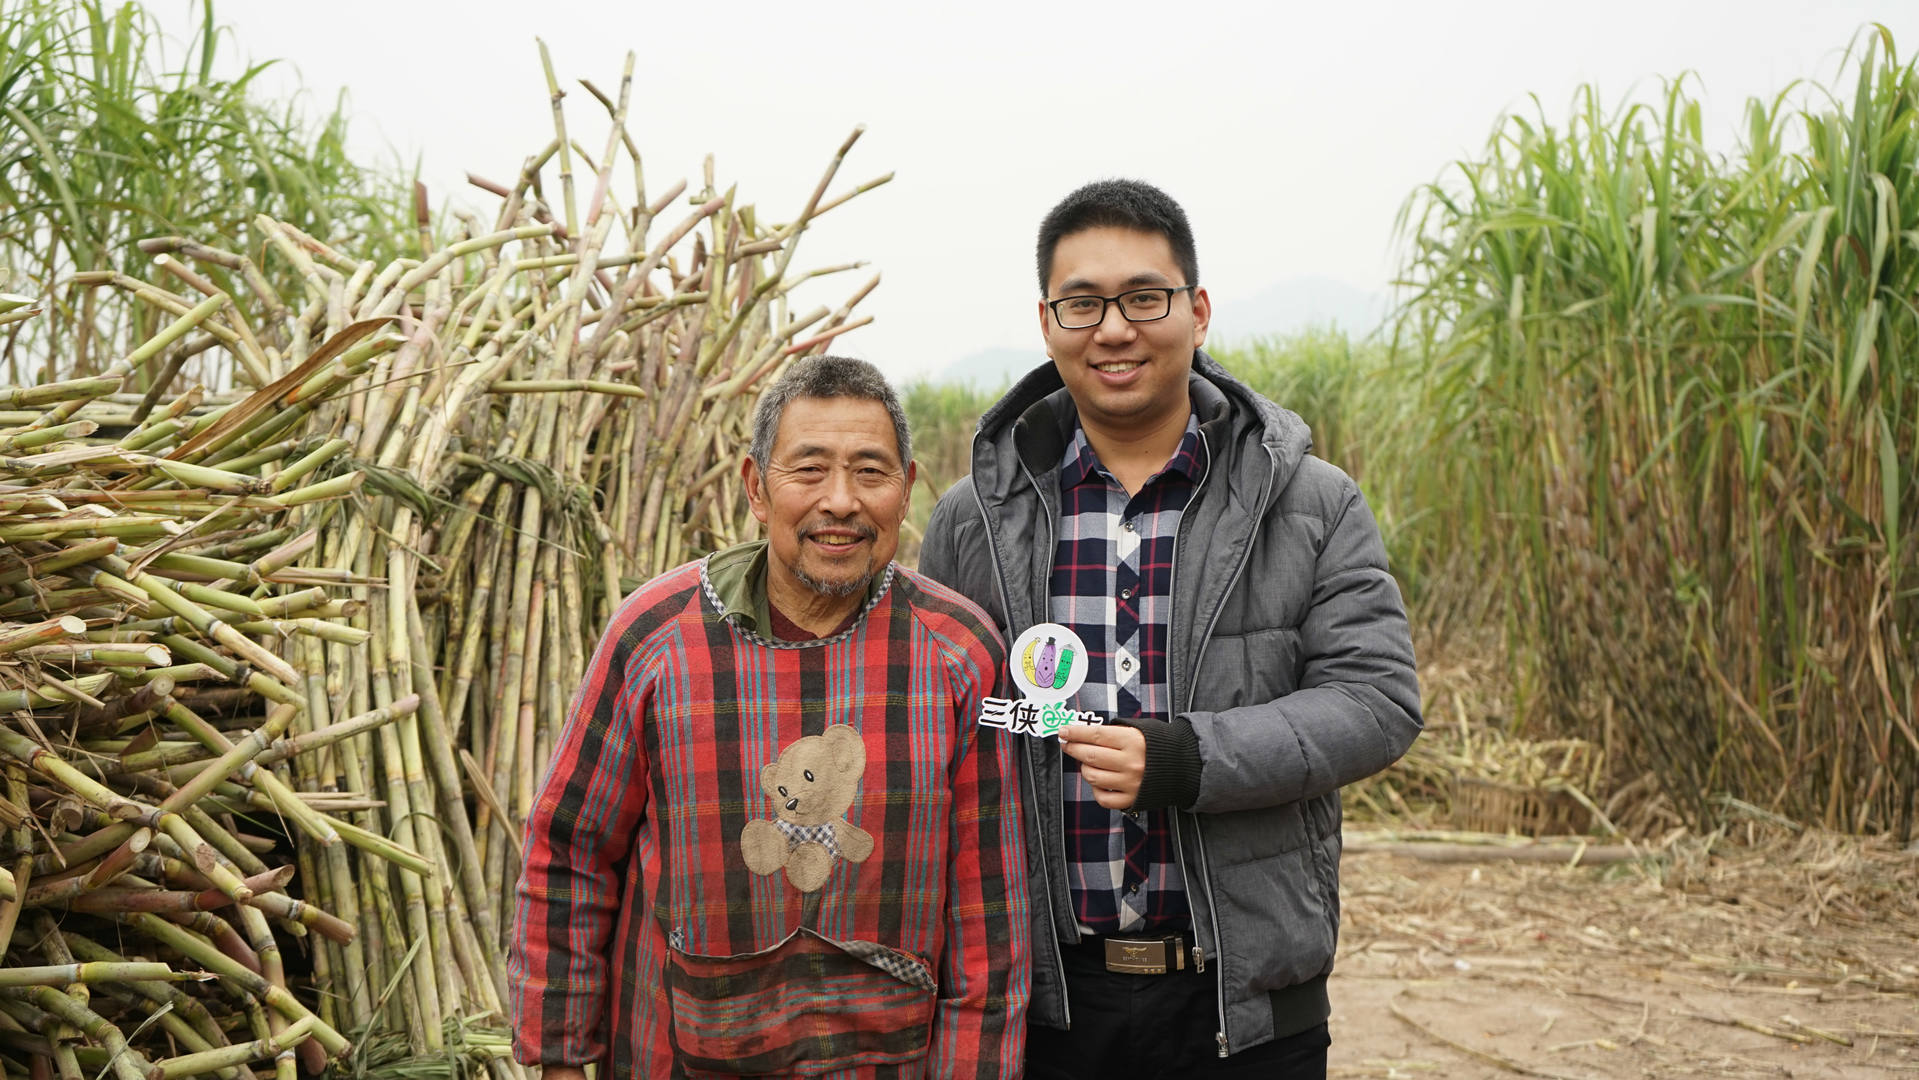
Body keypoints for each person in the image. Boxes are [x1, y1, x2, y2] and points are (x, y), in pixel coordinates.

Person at [919, 180, 1422, 1078]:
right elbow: (954, 714)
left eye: (1142, 298)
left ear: (1195, 309)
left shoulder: (1308, 501)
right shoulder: (973, 520)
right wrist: (1023, 720)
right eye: (1081, 303)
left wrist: (1189, 760)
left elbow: (1376, 700)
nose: (1113, 329)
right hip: (1045, 1005)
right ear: (1046, 322)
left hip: (1242, 1002)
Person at [511, 355, 1030, 1078]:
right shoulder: (655, 637)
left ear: (907, 489)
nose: (841, 501)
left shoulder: (960, 653)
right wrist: (561, 1059)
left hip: (890, 1057)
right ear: (757, 487)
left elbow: (988, 915)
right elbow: (568, 853)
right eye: (809, 470)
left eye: (871, 472)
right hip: (676, 1050)